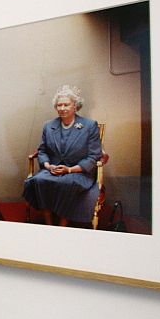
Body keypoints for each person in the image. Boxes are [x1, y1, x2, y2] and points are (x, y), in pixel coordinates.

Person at [23, 85, 102, 226]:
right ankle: (49, 224)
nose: (62, 108)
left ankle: (62, 226)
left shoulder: (89, 125)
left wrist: (70, 170)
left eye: (66, 104)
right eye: (59, 105)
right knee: (39, 181)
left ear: (75, 106)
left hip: (78, 173)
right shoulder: (48, 125)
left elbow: (93, 156)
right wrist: (48, 166)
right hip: (52, 171)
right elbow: (42, 150)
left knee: (67, 183)